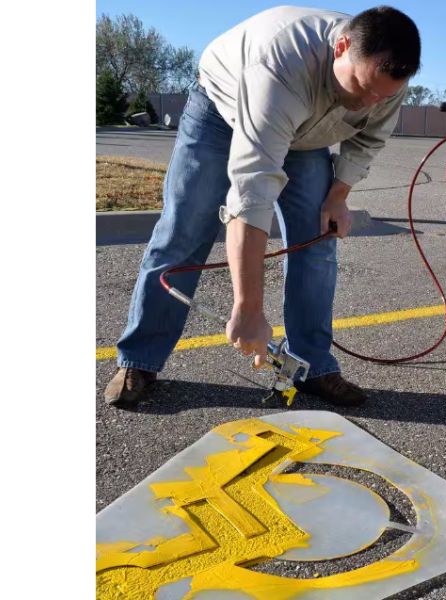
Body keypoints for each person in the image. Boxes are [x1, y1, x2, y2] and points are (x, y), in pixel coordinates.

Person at [104, 6, 421, 408]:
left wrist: (338, 195)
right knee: (184, 231)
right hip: (221, 109)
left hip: (306, 132)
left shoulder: (385, 79)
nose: (368, 102)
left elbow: (368, 140)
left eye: (382, 95)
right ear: (341, 47)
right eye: (361, 86)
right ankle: (139, 360)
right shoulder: (279, 65)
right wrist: (248, 308)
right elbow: (252, 194)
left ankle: (311, 366)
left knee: (317, 239)